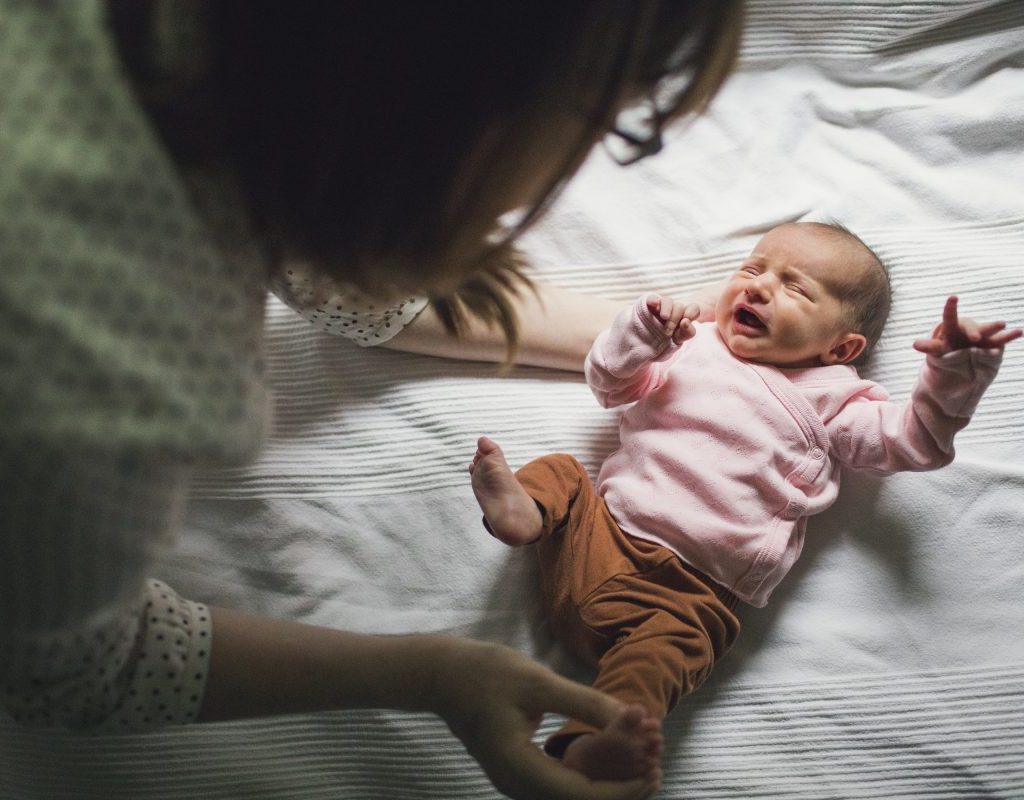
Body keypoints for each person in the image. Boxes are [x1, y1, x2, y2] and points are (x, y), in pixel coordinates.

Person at [0, 3, 744, 800]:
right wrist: (437, 675)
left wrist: (681, 337)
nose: (587, 154)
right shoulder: (92, 364)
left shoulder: (235, 66)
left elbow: (350, 287)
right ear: (458, 102)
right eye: (611, 119)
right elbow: (71, 670)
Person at [469, 221, 1021, 781]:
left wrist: (951, 378)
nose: (758, 287)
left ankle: (593, 740)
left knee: (658, 664)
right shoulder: (694, 344)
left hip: (688, 595)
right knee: (563, 470)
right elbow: (609, 384)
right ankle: (525, 514)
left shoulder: (834, 398)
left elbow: (914, 443)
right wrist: (639, 332)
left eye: (795, 287)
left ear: (841, 348)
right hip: (601, 534)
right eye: (753, 269)